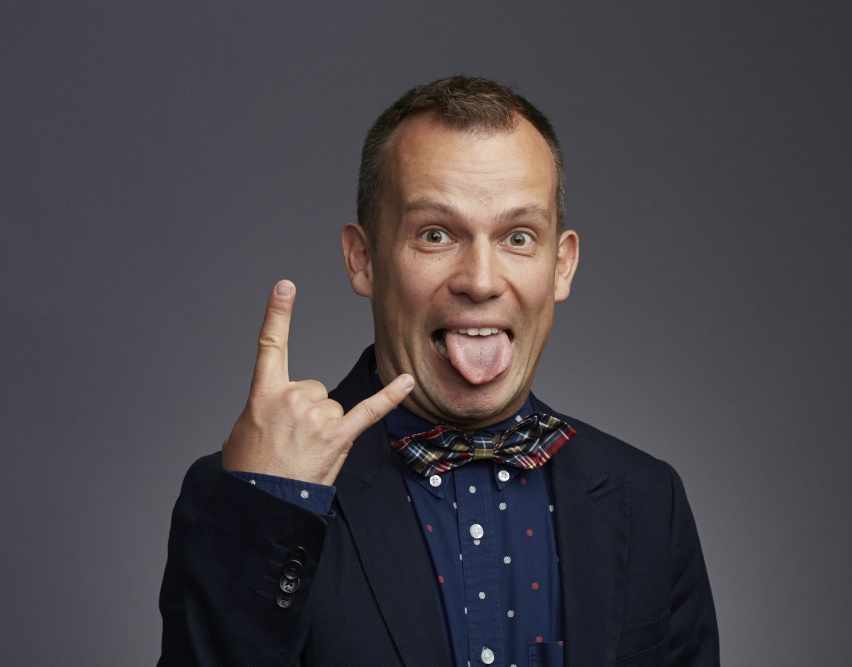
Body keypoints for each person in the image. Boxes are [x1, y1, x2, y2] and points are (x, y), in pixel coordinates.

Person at [159, 76, 718, 666]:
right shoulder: (244, 493)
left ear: (561, 265)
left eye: (518, 237)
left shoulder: (649, 499)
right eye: (435, 234)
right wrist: (271, 509)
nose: (480, 280)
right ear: (363, 259)